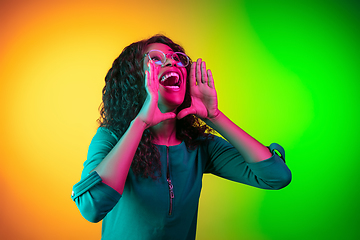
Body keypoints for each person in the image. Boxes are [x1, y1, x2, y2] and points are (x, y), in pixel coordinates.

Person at [71, 34, 291, 240]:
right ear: (135, 79)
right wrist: (140, 123)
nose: (172, 62)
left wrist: (213, 116)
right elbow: (92, 208)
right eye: (156, 59)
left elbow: (277, 176)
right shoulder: (112, 137)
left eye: (177, 59)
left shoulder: (199, 145)